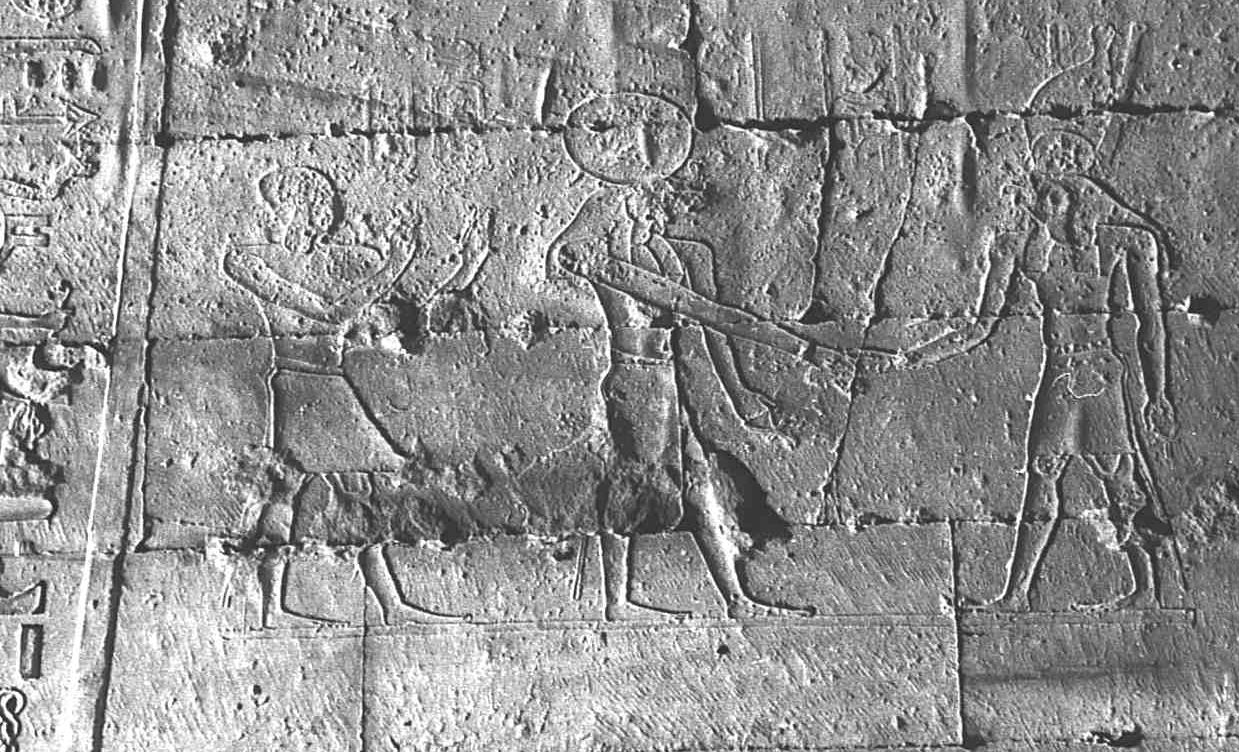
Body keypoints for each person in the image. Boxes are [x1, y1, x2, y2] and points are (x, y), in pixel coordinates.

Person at [550, 93, 865, 620]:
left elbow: (708, 324)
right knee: (635, 484)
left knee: (698, 479)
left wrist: (742, 395)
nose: (668, 215)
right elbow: (690, 305)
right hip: (636, 380)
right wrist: (796, 346)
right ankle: (616, 601)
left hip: (670, 377)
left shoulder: (679, 254)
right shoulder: (606, 246)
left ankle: (735, 598)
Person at [873, 128, 1180, 611]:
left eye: (1055, 197)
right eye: (1041, 197)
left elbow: (1151, 324)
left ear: (1079, 198)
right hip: (1061, 374)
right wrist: (919, 354)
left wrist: (1157, 393)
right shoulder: (1021, 248)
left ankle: (1149, 587)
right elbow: (980, 327)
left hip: (1101, 374)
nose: (1043, 207)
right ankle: (1017, 594)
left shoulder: (1121, 244)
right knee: (1043, 476)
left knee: (1118, 476)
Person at [224, 165, 489, 626]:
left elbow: (385, 312)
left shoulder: (337, 264)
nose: (281, 220)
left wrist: (460, 267)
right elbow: (328, 312)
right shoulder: (249, 261)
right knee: (287, 494)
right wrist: (392, 265)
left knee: (353, 493)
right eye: (282, 210)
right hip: (300, 388)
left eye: (292, 211)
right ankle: (266, 604)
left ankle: (385, 605)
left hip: (330, 385)